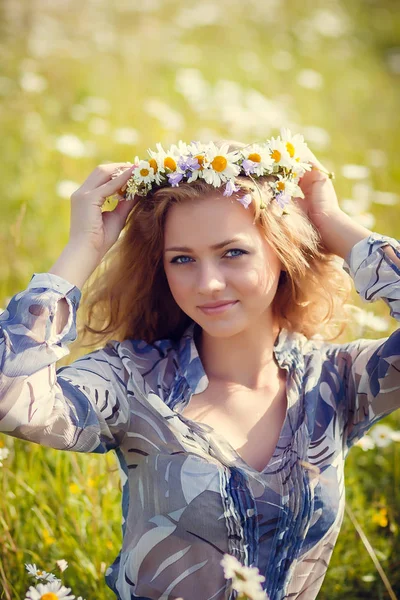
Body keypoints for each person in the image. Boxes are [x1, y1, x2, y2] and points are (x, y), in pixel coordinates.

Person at [1, 132, 399, 600]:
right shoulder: (131, 382)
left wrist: (332, 223)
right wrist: (81, 250)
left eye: (233, 252)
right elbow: (9, 397)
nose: (208, 283)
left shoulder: (337, 382)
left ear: (282, 250)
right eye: (182, 259)